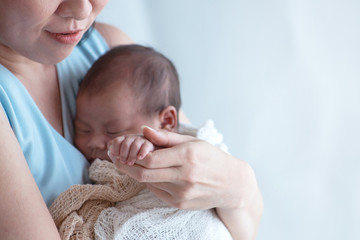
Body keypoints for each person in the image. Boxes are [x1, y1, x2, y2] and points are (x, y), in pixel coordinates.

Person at [0, 1, 263, 240]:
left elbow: (239, 227)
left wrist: (239, 186)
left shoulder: (110, 51)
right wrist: (236, 191)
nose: (82, 10)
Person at [49, 44, 232, 239]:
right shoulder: (99, 169)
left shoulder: (183, 146)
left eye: (113, 131)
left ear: (166, 122)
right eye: (83, 129)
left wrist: (147, 151)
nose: (94, 142)